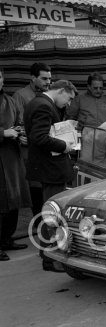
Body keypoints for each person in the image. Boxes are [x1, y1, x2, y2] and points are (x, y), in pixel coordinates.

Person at [25, 80, 78, 272]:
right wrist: (64, 145)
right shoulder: (43, 106)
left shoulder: (39, 103)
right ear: (61, 91)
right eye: (69, 98)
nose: (69, 103)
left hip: (48, 167)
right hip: (51, 168)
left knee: (51, 211)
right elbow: (39, 136)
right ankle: (51, 258)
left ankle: (47, 253)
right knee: (53, 213)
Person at [12, 62, 51, 223]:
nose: (48, 82)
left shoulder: (50, 94)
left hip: (47, 148)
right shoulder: (20, 96)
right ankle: (39, 222)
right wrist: (21, 134)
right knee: (34, 187)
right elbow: (16, 122)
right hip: (29, 150)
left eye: (49, 78)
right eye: (44, 78)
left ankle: (47, 221)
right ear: (33, 78)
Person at [0, 69, 31, 261]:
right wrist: (3, 133)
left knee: (14, 201)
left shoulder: (10, 100)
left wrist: (20, 133)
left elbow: (19, 121)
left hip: (12, 158)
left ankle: (6, 240)